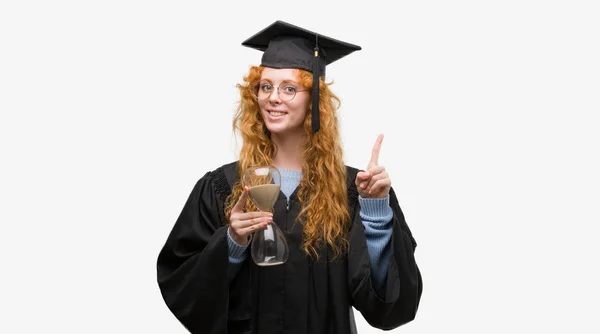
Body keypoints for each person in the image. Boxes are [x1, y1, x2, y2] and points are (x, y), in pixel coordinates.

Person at [156, 20, 423, 334]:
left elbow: (389, 306)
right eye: (266, 86)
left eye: (289, 88)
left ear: (315, 101)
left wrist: (375, 211)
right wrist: (232, 242)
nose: (273, 97)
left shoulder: (351, 191)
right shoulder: (224, 186)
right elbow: (181, 284)